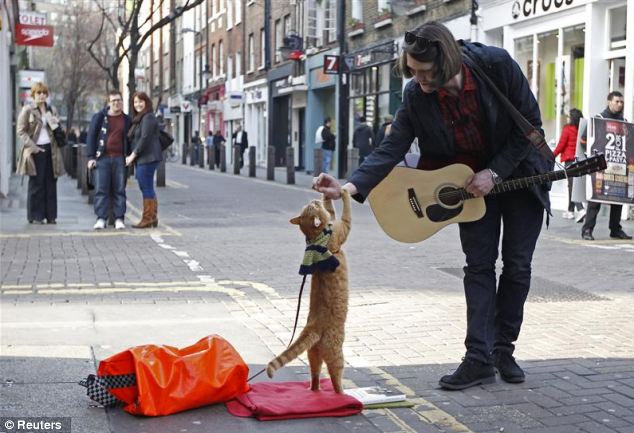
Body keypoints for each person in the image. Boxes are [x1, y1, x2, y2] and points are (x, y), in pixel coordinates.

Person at [313, 21, 554, 390]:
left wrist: (495, 171)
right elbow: (391, 148)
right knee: (478, 267)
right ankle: (478, 358)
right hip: (468, 189)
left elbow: (531, 127)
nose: (419, 79)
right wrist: (347, 188)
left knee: (518, 266)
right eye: (412, 71)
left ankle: (504, 349)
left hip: (520, 176)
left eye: (426, 72)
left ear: (448, 60)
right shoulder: (416, 95)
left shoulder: (496, 65)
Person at [581, 91, 632, 241]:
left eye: (621, 102)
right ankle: (587, 230)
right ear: (609, 102)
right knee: (595, 199)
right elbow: (584, 141)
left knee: (618, 198)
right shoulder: (598, 120)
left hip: (619, 166)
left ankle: (615, 229)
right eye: (617, 101)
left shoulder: (625, 123)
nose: (620, 104)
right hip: (600, 167)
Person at [16, 81, 65, 224]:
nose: (42, 96)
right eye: (39, 93)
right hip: (35, 151)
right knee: (36, 185)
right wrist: (33, 146)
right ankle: (36, 216)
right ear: (33, 95)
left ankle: (51, 216)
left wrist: (56, 123)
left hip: (52, 151)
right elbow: (21, 131)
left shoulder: (52, 110)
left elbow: (56, 130)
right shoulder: (28, 110)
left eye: (44, 93)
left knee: (51, 183)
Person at [87, 90, 131, 230]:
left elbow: (130, 139)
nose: (117, 103)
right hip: (102, 158)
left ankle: (119, 218)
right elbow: (91, 137)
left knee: (120, 189)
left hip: (120, 158)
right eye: (113, 101)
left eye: (119, 100)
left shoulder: (126, 119)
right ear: (109, 103)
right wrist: (91, 157)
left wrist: (130, 156)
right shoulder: (99, 117)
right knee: (101, 189)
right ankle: (101, 218)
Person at [126, 92, 163, 229]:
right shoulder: (140, 118)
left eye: (141, 101)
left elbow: (145, 138)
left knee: (146, 186)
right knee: (146, 187)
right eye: (135, 102)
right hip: (145, 158)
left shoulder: (148, 117)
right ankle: (152, 217)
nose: (138, 104)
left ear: (146, 102)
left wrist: (132, 156)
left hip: (147, 158)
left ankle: (148, 218)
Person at [553, 108, 585, 221]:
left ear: (572, 118)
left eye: (568, 116)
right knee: (571, 185)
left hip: (570, 161)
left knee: (572, 186)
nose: (567, 118)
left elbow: (561, 145)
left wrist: (551, 156)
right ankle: (570, 211)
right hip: (580, 160)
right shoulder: (582, 129)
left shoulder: (568, 129)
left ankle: (581, 209)